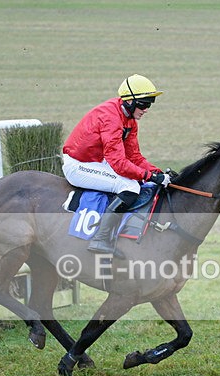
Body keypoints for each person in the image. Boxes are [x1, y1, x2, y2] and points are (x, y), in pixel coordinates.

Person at [62, 74, 172, 256]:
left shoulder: (129, 119)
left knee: (140, 181)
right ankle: (101, 239)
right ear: (129, 101)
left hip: (97, 161)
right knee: (129, 185)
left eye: (150, 104)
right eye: (144, 104)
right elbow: (119, 164)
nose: (146, 109)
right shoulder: (110, 118)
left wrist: (158, 173)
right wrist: (149, 176)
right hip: (78, 165)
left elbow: (134, 156)